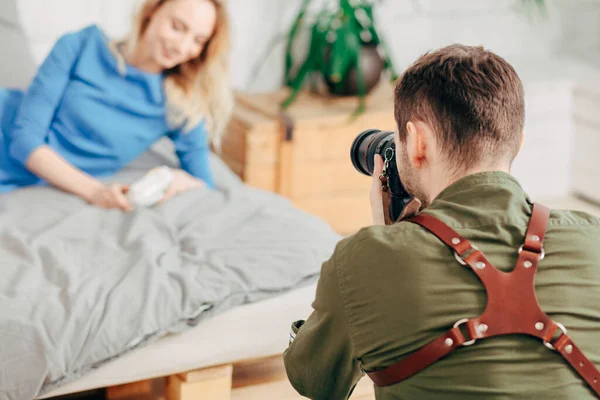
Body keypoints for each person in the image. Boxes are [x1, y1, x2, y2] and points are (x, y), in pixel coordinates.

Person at [282, 44, 600, 399]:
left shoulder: (364, 259)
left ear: (418, 142)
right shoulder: (593, 241)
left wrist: (388, 244)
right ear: (519, 143)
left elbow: (314, 380)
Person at [0, 0, 233, 210]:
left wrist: (186, 182)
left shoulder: (181, 104)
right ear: (152, 11)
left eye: (198, 41)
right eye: (177, 27)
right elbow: (25, 142)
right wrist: (96, 192)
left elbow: (204, 182)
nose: (182, 48)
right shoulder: (81, 45)